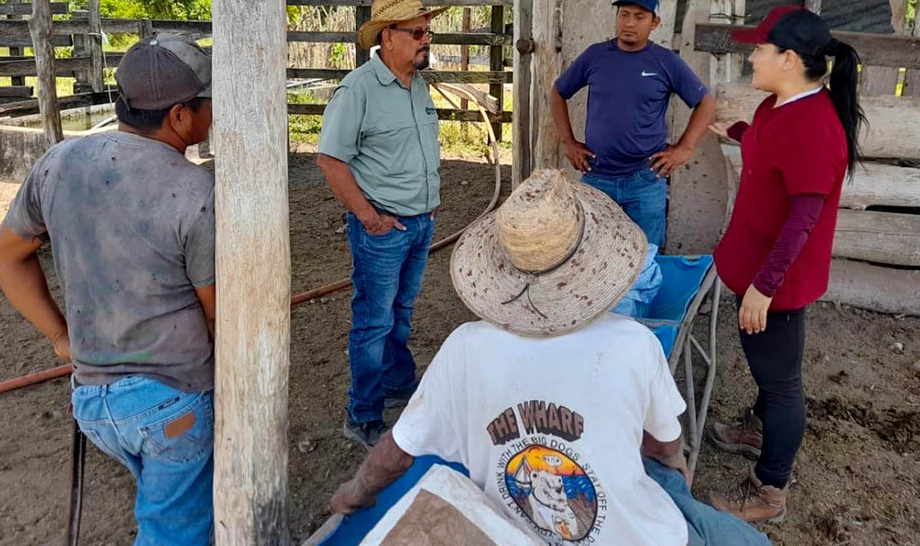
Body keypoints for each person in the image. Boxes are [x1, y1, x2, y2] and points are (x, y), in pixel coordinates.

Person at [329, 169, 770, 546]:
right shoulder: (634, 343)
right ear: (592, 261)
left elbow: (397, 452)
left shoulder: (465, 346)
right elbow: (664, 446)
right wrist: (671, 473)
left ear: (504, 267)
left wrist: (355, 492)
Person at [0, 35, 217, 546]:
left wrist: (60, 338)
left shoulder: (59, 162)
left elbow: (5, 255)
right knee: (172, 533)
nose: (213, 113)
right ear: (180, 116)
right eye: (208, 104)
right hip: (171, 402)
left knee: (163, 506)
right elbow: (216, 314)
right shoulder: (195, 189)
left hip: (92, 401)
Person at [706, 6, 866, 523]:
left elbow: (803, 219)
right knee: (768, 368)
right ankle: (759, 430)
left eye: (759, 49)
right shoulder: (778, 106)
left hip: (776, 281)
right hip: (758, 268)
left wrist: (765, 287)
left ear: (789, 59)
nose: (752, 57)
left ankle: (770, 491)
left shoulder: (815, 126)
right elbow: (768, 144)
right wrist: (734, 131)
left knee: (780, 384)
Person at [318, 0, 446, 447]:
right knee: (374, 321)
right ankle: (363, 414)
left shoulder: (417, 84)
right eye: (417, 32)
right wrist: (369, 218)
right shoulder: (359, 89)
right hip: (384, 229)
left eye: (427, 31)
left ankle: (395, 383)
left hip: (419, 223)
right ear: (387, 37)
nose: (425, 39)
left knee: (400, 313)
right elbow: (331, 160)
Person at [550, 0, 716, 249]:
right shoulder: (596, 56)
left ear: (654, 23)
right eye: (624, 14)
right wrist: (567, 142)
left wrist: (685, 148)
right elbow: (558, 92)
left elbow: (705, 102)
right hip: (597, 176)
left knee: (645, 254)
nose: (629, 23)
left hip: (645, 179)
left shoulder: (665, 62)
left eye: (639, 17)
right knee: (592, 254)